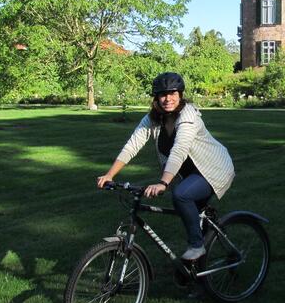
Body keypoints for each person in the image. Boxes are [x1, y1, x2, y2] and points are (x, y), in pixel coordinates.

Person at [97, 72, 235, 260]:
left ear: (180, 94)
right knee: (191, 213)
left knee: (181, 195)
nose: (167, 98)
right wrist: (109, 175)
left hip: (214, 168)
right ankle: (198, 268)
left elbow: (179, 149)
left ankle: (197, 246)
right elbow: (132, 145)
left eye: (172, 93)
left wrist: (163, 183)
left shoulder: (189, 116)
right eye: (162, 94)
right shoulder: (154, 119)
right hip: (191, 172)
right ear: (156, 97)